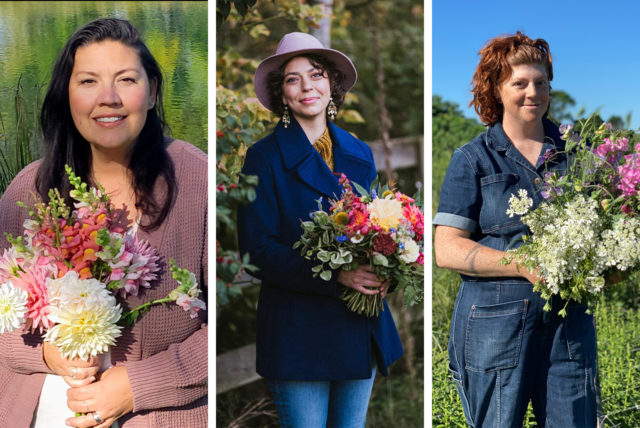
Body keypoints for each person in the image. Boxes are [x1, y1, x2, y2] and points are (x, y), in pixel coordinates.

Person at [0, 18, 207, 427]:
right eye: (89, 81)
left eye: (126, 80)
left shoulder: (196, 180)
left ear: (152, 92)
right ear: (67, 96)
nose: (108, 98)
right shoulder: (27, 191)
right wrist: (41, 353)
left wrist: (136, 384)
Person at [237, 32, 403, 428]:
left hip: (356, 326)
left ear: (331, 84)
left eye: (315, 75)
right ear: (283, 94)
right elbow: (257, 251)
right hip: (299, 331)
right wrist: (337, 274)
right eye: (293, 79)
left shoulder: (358, 152)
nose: (307, 87)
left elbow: (378, 228)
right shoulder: (263, 157)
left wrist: (387, 270)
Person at [433, 32, 598, 427]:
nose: (532, 93)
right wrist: (521, 263)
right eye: (519, 83)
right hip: (494, 329)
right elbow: (446, 249)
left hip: (568, 326)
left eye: (541, 83)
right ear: (496, 89)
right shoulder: (473, 158)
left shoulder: (577, 154)